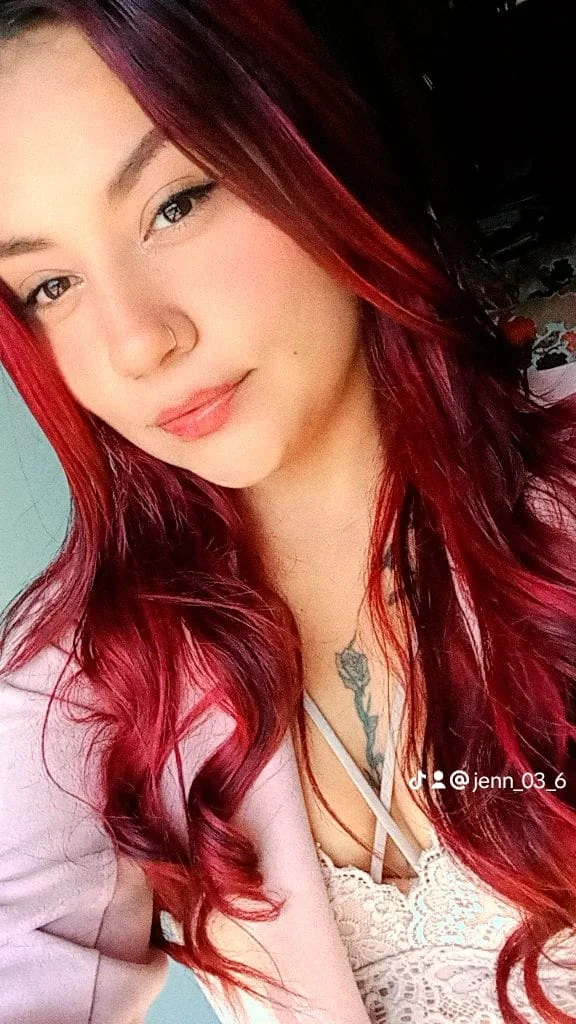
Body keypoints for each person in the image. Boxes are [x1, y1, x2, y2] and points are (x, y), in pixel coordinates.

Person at [0, 3, 575, 1023]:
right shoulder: (87, 681)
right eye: (50, 284)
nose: (137, 342)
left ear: (313, 144)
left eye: (177, 203)